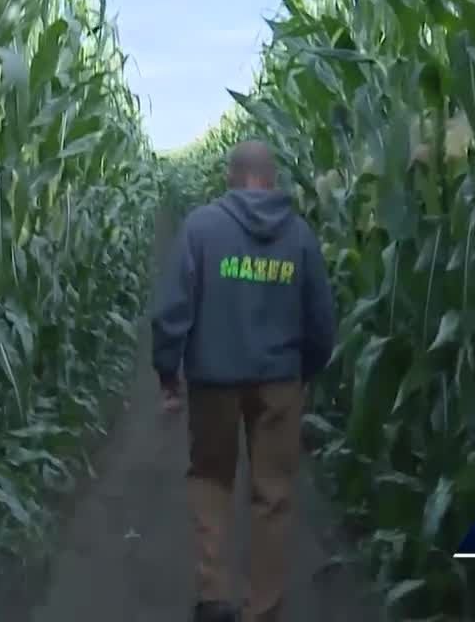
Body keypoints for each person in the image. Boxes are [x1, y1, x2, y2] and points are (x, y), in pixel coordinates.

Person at [151, 138, 337, 622]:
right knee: (272, 494)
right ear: (272, 180)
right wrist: (306, 371)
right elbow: (321, 319)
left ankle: (213, 597)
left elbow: (173, 309)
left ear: (231, 178)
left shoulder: (202, 227)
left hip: (213, 378)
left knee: (211, 478)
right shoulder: (299, 236)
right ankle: (263, 609)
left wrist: (168, 371)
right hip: (279, 381)